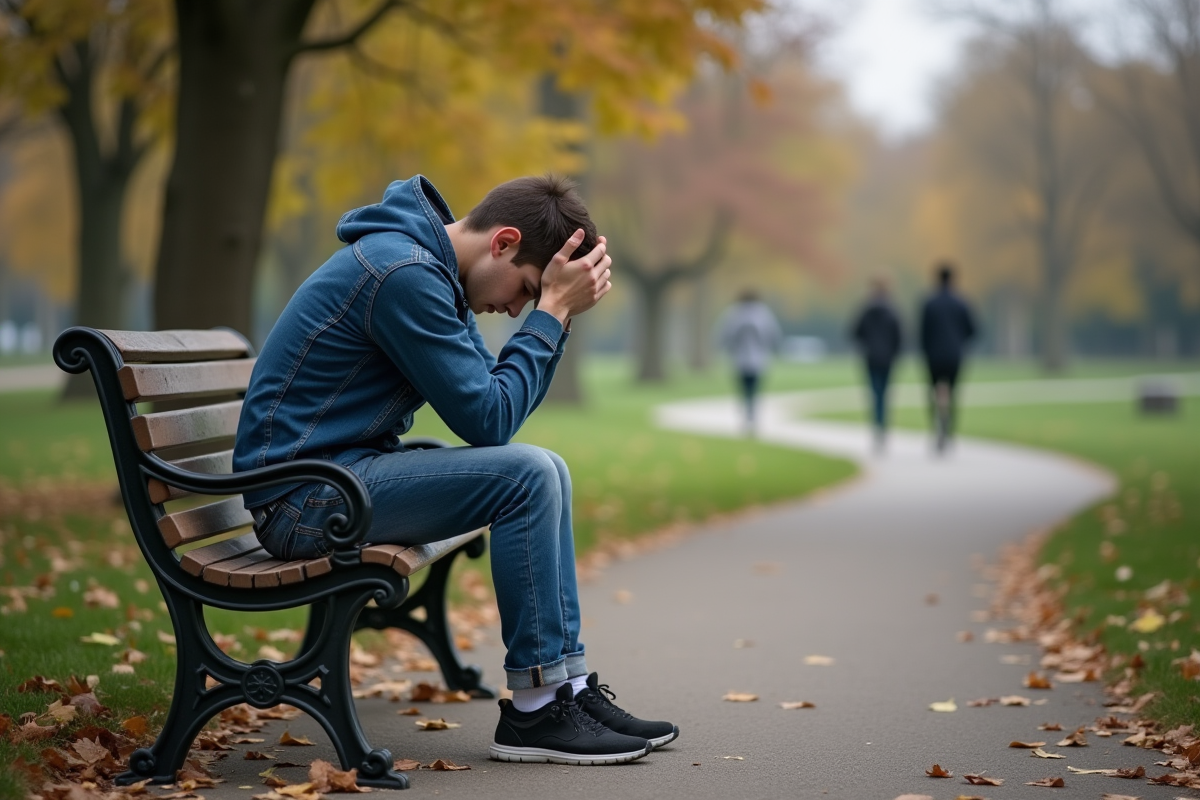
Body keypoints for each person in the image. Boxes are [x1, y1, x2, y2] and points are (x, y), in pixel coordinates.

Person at [233, 175, 678, 766]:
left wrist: (556, 315)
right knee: (527, 475)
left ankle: (565, 688)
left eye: (529, 299)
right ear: (503, 242)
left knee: (548, 468)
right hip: (304, 501)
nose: (516, 308)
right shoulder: (404, 275)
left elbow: (496, 404)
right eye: (524, 287)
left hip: (338, 480)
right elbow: (489, 420)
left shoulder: (430, 270)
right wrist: (552, 314)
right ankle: (537, 708)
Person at [918, 261, 977, 453]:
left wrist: (925, 350)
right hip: (954, 355)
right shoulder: (961, 302)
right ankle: (948, 428)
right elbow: (972, 330)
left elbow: (922, 332)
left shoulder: (929, 303)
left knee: (934, 393)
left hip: (933, 356)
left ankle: (937, 426)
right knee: (952, 392)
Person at [850, 277, 903, 452]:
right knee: (884, 393)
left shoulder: (867, 310)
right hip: (887, 358)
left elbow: (855, 332)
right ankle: (882, 426)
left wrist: (867, 345)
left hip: (871, 357)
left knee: (875, 393)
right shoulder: (892, 310)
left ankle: (877, 426)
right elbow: (899, 336)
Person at [718, 289, 782, 435]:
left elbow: (724, 334)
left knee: (744, 390)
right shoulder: (764, 313)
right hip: (759, 360)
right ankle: (752, 416)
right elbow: (773, 334)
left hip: (739, 359)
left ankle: (747, 417)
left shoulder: (733, 313)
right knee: (754, 390)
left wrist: (725, 349)